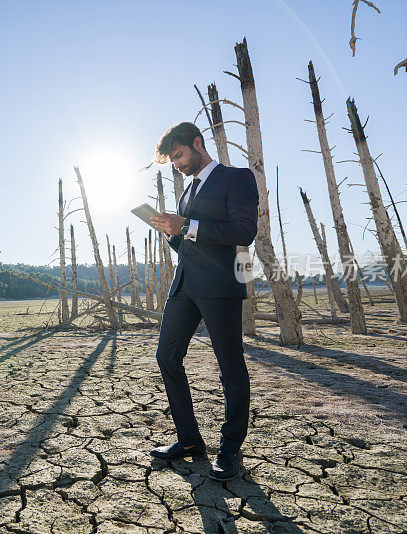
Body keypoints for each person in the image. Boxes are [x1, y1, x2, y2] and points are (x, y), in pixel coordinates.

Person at [148, 121, 259, 480]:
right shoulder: (186, 193)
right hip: (184, 286)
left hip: (220, 285)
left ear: (198, 143)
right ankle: (189, 439)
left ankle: (230, 450)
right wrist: (172, 232)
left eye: (179, 155)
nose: (177, 164)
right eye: (172, 160)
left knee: (230, 366)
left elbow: (244, 232)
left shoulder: (236, 177)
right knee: (166, 355)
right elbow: (186, 242)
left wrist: (188, 226)